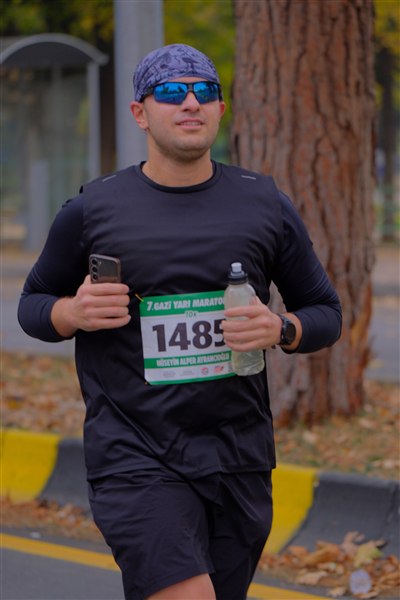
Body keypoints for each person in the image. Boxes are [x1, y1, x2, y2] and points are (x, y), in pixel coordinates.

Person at [18, 43, 342, 600]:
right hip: (135, 453)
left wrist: (280, 329)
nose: (190, 102)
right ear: (140, 112)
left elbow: (326, 313)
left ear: (220, 109)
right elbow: (32, 305)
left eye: (204, 91)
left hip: (238, 456)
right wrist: (71, 312)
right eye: (171, 92)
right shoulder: (93, 209)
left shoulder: (263, 203)